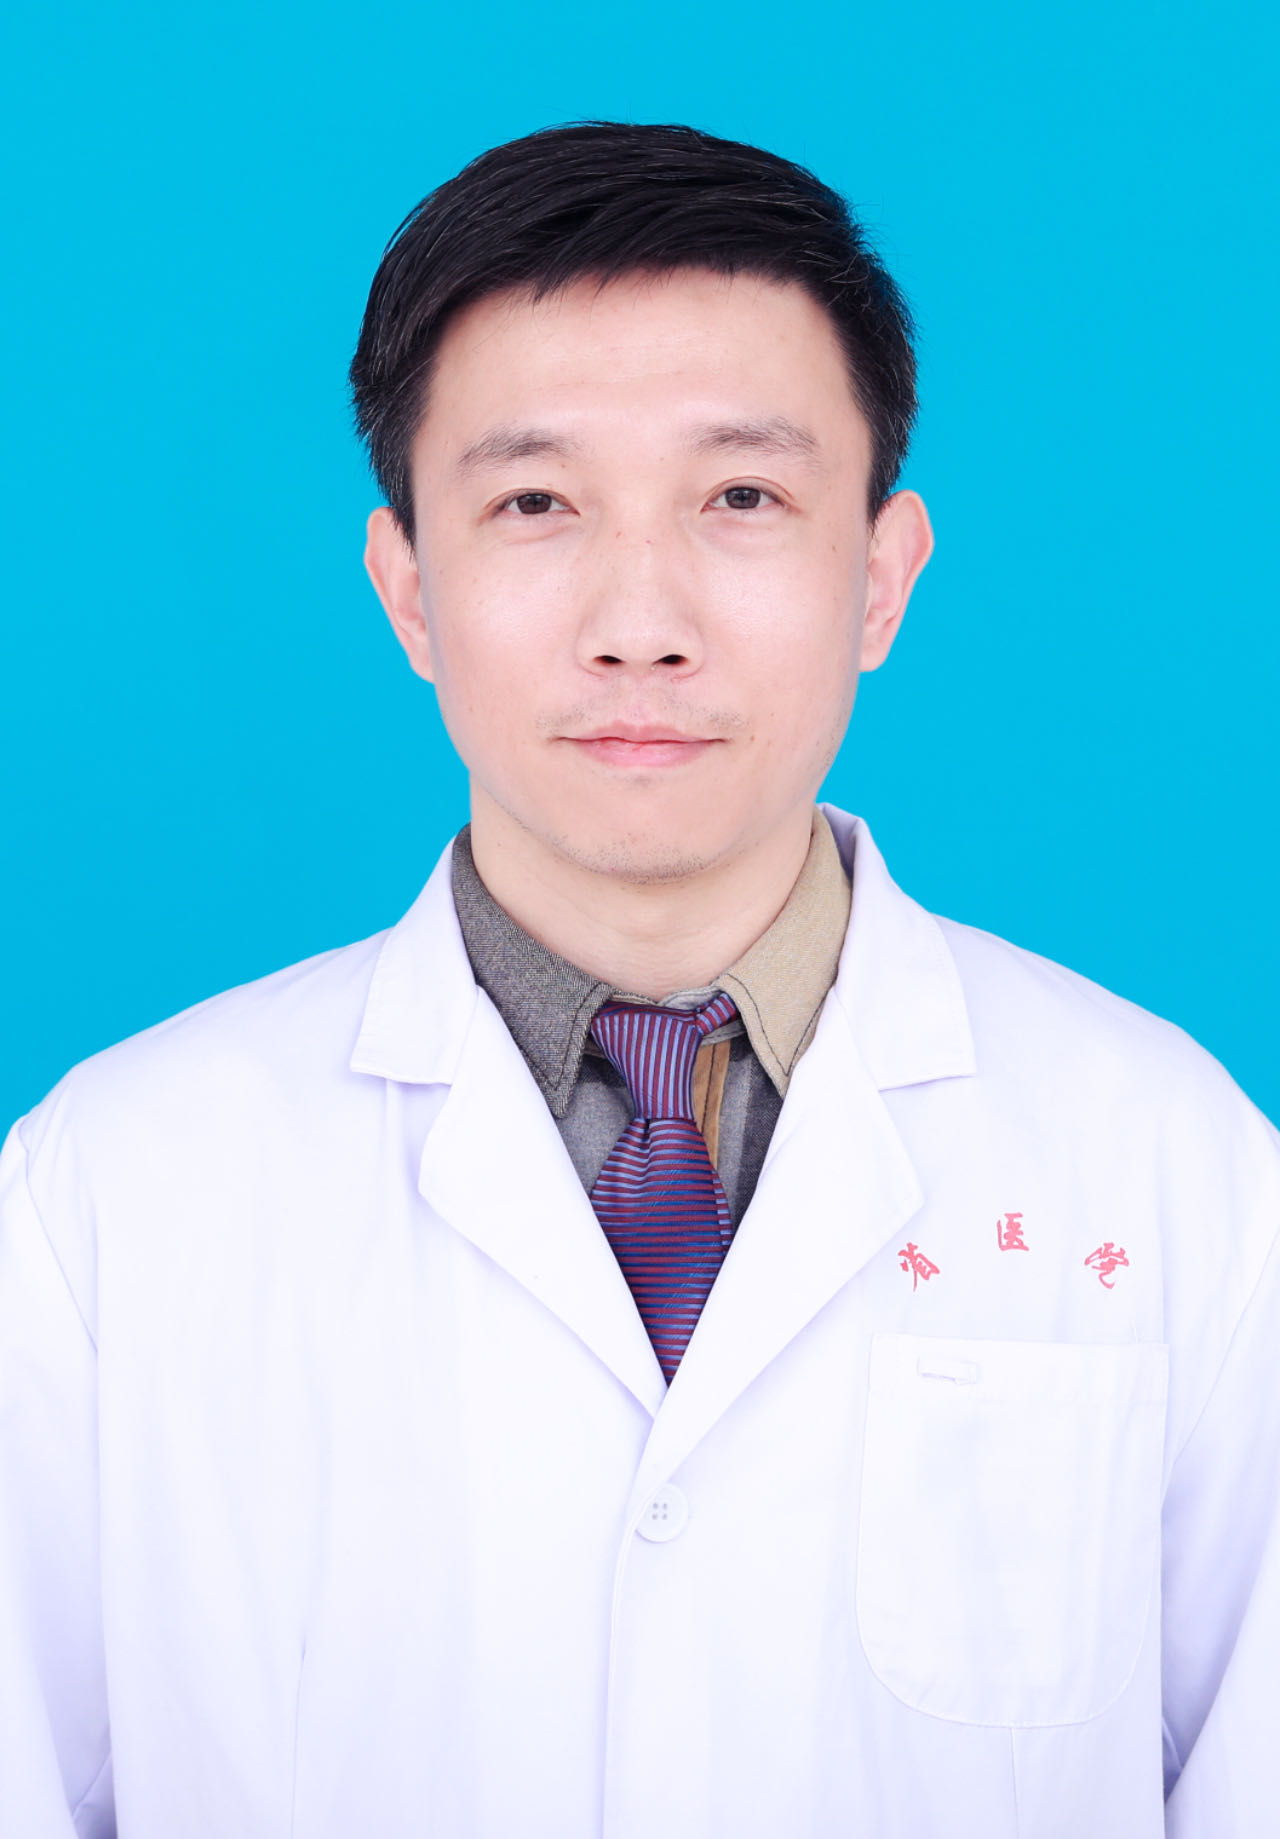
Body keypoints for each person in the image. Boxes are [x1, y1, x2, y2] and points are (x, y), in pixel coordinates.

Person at [1, 121, 1276, 1839]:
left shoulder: (1172, 1165)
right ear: (409, 590)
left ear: (882, 575)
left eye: (742, 498)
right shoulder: (114, 1192)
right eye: (535, 503)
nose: (640, 622)